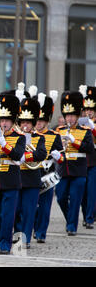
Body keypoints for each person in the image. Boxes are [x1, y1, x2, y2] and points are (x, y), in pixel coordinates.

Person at [0, 93, 25, 255]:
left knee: (7, 215)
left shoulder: (19, 137)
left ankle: (5, 244)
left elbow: (17, 155)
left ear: (12, 121)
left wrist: (4, 144)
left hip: (11, 181)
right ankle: (3, 238)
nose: (3, 123)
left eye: (6, 120)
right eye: (1, 120)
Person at [55, 91, 94, 236]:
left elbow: (89, 148)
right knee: (61, 197)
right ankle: (70, 219)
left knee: (76, 198)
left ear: (77, 116)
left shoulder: (85, 131)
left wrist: (74, 141)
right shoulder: (59, 131)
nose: (69, 118)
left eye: (72, 116)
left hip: (78, 170)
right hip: (63, 169)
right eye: (67, 116)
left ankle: (71, 226)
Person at [14, 96, 47, 248]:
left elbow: (41, 154)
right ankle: (16, 234)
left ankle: (25, 238)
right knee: (15, 209)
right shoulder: (14, 137)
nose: (25, 125)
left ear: (33, 123)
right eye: (23, 122)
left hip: (32, 177)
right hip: (16, 177)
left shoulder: (39, 138)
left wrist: (25, 156)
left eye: (27, 122)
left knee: (28, 210)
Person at [32, 91, 64, 243]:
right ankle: (32, 227)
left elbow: (62, 157)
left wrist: (59, 156)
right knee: (31, 205)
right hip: (31, 173)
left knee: (45, 207)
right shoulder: (28, 135)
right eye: (37, 120)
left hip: (47, 173)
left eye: (42, 120)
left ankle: (41, 233)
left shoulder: (54, 135)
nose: (38, 123)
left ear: (47, 120)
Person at [81, 85, 96, 229]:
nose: (89, 112)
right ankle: (86, 214)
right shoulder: (81, 123)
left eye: (91, 110)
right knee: (84, 192)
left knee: (92, 191)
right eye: (87, 110)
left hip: (95, 160)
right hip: (83, 160)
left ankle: (90, 218)